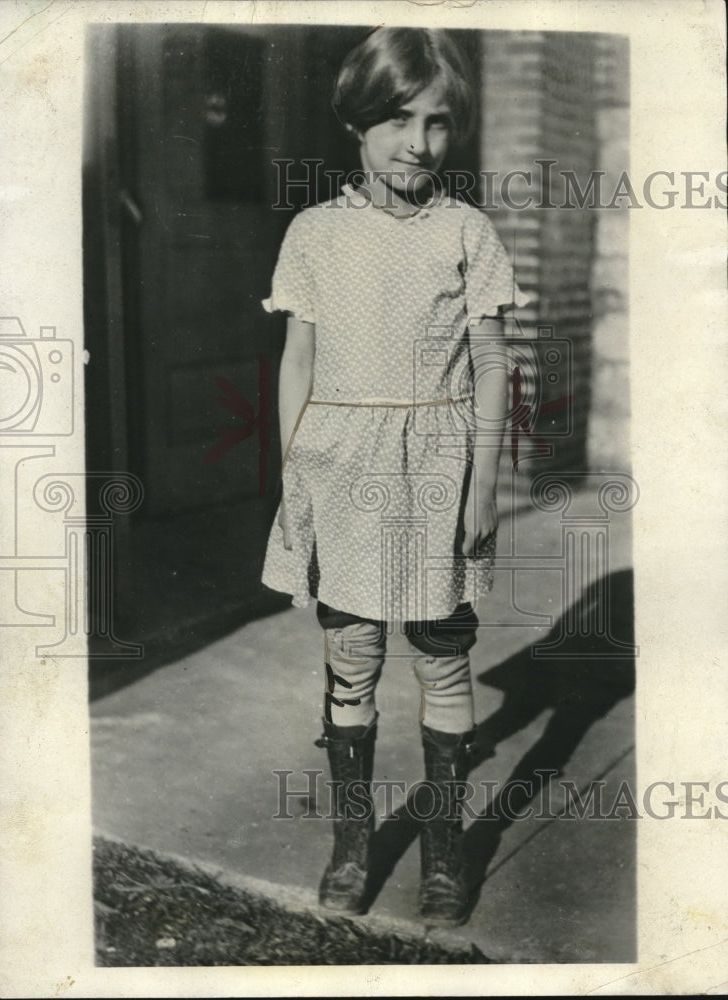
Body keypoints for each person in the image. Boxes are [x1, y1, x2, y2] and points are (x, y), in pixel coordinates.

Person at [262, 27, 528, 926]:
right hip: (340, 471)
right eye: (396, 120)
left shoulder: (466, 230)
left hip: (442, 471)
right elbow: (298, 359)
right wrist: (293, 472)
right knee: (353, 659)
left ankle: (446, 861)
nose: (418, 142)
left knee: (444, 660)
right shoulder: (314, 233)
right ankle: (351, 845)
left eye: (438, 123)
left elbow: (494, 363)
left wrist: (483, 484)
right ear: (356, 125)